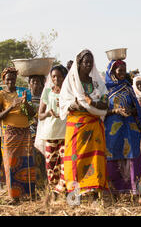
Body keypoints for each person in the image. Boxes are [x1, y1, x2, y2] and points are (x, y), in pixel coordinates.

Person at [59, 49, 109, 198]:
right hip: (77, 125)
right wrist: (76, 104)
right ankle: (74, 196)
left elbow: (105, 101)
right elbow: (64, 102)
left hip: (94, 125)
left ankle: (93, 193)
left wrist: (93, 104)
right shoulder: (71, 81)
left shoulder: (96, 82)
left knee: (94, 158)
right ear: (79, 63)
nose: (88, 65)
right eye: (85, 62)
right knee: (75, 160)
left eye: (90, 62)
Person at [104, 60, 141, 199]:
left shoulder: (128, 88)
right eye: (119, 70)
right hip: (112, 128)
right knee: (113, 157)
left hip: (129, 127)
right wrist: (115, 111)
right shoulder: (105, 89)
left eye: (124, 70)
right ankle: (114, 192)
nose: (122, 73)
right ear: (112, 71)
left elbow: (136, 109)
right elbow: (102, 111)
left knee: (133, 156)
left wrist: (130, 110)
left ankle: (137, 193)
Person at [0, 67, 36, 204]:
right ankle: (14, 197)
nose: (11, 81)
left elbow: (31, 114)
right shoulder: (1, 94)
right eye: (8, 79)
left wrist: (25, 103)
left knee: (26, 162)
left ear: (16, 79)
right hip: (10, 132)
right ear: (4, 80)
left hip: (25, 131)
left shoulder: (23, 92)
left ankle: (28, 195)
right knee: (11, 163)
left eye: (13, 78)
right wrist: (11, 106)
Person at [36, 65, 69, 197]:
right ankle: (53, 191)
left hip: (65, 133)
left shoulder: (68, 92)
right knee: (51, 165)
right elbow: (40, 115)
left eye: (59, 76)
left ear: (64, 77)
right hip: (50, 133)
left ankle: (64, 191)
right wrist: (49, 113)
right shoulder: (47, 92)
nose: (56, 79)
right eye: (53, 76)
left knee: (64, 164)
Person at [28, 74, 47, 189]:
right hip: (29, 134)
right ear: (29, 84)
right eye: (33, 82)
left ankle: (42, 187)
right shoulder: (25, 99)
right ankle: (31, 188)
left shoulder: (44, 99)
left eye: (38, 82)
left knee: (42, 161)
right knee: (31, 161)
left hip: (42, 133)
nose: (35, 84)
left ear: (42, 84)